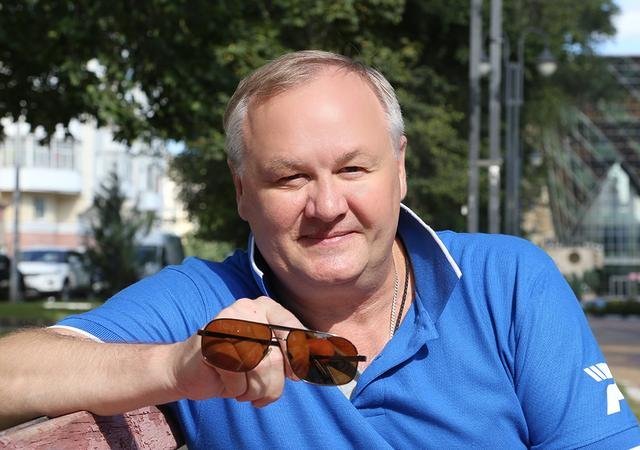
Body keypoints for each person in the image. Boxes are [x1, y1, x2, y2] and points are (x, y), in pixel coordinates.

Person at [1, 50, 638, 449]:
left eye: (353, 169)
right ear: (242, 191)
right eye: (290, 178)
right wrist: (178, 366)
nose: (327, 205)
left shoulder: (507, 281)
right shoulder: (207, 302)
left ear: (400, 170)